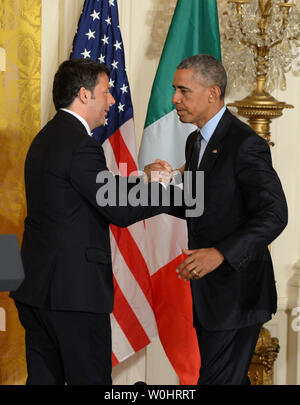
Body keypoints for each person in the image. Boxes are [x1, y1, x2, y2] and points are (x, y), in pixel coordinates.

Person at [10, 59, 175, 385]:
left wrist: (142, 178)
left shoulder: (47, 138)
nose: (112, 101)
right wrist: (162, 188)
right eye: (106, 92)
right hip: (73, 296)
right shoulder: (80, 144)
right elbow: (118, 210)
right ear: (84, 95)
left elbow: (87, 189)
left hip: (37, 291)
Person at [144, 54, 288, 385]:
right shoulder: (197, 141)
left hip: (238, 297)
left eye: (183, 90)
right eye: (174, 90)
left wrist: (221, 252)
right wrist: (151, 187)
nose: (174, 99)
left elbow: (275, 213)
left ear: (212, 93)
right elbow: (196, 203)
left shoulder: (245, 144)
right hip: (211, 297)